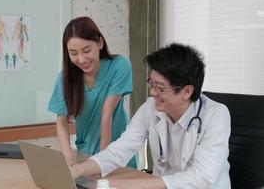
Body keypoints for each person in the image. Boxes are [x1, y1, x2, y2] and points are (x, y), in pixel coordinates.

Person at [70, 43, 231, 189]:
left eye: (160, 88)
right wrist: (79, 169)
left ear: (187, 91)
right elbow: (121, 148)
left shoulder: (216, 115)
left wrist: (132, 185)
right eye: (151, 83)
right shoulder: (150, 108)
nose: (152, 92)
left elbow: (201, 177)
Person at [48, 16, 137, 169]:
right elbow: (61, 121)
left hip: (117, 155)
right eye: (73, 53)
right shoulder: (65, 79)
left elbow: (107, 112)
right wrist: (68, 157)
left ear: (100, 43)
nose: (81, 59)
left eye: (86, 50)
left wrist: (103, 160)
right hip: (85, 155)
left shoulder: (120, 66)